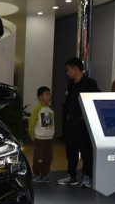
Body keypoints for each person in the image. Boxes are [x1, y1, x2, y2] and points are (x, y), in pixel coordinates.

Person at [57, 57, 99, 188]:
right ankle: (71, 175)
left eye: (68, 70)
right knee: (71, 150)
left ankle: (87, 175)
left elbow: (95, 101)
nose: (67, 73)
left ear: (75, 68)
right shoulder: (71, 85)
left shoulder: (90, 83)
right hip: (72, 123)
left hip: (84, 124)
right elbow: (68, 103)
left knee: (86, 150)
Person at [29, 86, 55, 182]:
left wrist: (53, 134)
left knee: (48, 157)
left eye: (49, 94)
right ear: (40, 97)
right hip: (40, 138)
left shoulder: (50, 109)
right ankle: (37, 174)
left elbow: (51, 124)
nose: (49, 96)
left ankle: (44, 174)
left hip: (49, 138)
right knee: (39, 157)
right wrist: (32, 135)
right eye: (47, 94)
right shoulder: (37, 109)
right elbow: (31, 123)